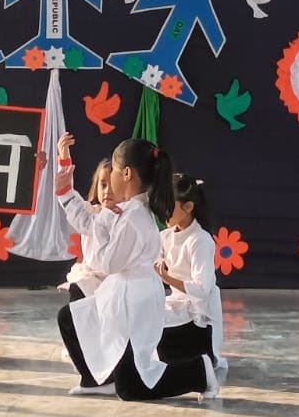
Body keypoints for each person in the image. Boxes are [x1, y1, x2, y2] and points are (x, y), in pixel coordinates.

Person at [55, 133, 218, 402]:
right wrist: (66, 195)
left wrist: (105, 219)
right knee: (70, 317)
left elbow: (107, 262)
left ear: (127, 174)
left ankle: (198, 372)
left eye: (114, 172)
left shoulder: (133, 217)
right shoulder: (129, 210)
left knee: (132, 388)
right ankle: (96, 379)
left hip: (134, 301)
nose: (110, 180)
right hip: (123, 294)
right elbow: (90, 226)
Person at [156, 172, 225, 374]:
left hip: (198, 314)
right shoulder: (165, 236)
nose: (163, 211)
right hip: (176, 304)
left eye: (169, 205)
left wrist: (167, 278)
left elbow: (202, 289)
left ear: (188, 207)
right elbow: (154, 257)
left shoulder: (200, 240)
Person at [61, 159, 115, 301]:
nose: (107, 191)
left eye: (114, 185)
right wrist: (64, 156)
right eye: (103, 185)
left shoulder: (126, 217)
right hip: (90, 276)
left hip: (115, 277)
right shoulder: (91, 211)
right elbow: (73, 203)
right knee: (79, 290)